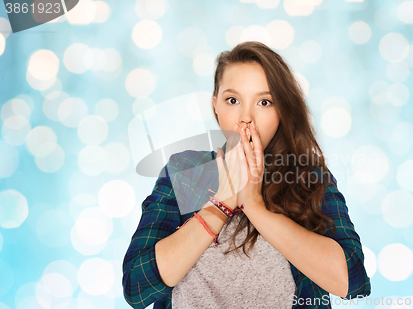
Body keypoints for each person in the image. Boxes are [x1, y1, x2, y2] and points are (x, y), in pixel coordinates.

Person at [122, 41, 371, 309]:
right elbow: (136, 288)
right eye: (233, 100)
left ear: (281, 110)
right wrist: (222, 203)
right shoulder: (185, 170)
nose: (246, 118)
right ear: (215, 105)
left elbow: (352, 281)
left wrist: (255, 206)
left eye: (264, 102)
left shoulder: (308, 177)